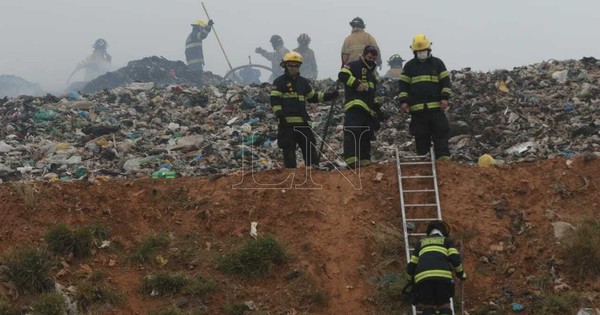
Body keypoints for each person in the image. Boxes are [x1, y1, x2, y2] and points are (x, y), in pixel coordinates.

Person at [270, 51, 339, 168]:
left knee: (310, 149)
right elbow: (274, 99)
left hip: (303, 123)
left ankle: (314, 174)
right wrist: (280, 114)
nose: (293, 68)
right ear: (285, 66)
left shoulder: (303, 82)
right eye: (291, 65)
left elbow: (313, 97)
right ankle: (292, 177)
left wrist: (329, 96)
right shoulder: (279, 82)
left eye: (296, 65)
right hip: (286, 124)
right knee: (289, 152)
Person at [398, 34, 452, 160]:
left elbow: (445, 83)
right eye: (419, 51)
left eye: (423, 50)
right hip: (417, 110)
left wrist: (445, 98)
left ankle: (443, 160)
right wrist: (403, 101)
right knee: (421, 135)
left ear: (429, 49)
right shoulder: (409, 66)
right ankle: (423, 160)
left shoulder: (437, 64)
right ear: (414, 52)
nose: (421, 53)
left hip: (435, 108)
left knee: (441, 132)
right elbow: (403, 86)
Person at [406, 221, 466, 315]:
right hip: (442, 277)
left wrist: (410, 279)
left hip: (423, 278)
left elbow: (412, 265)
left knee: (427, 306)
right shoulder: (447, 241)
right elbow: (455, 259)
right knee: (444, 305)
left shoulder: (421, 243)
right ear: (443, 232)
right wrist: (461, 274)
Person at [338, 45, 381, 168]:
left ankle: (365, 161)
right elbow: (342, 75)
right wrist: (356, 83)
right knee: (352, 131)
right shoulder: (354, 65)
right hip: (355, 106)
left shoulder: (372, 75)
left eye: (373, 58)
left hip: (368, 111)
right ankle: (351, 161)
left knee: (366, 135)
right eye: (369, 57)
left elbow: (373, 94)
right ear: (363, 55)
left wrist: (377, 110)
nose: (371, 60)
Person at [185, 19, 214, 83]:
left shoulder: (193, 34)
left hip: (195, 62)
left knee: (197, 79)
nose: (203, 29)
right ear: (198, 26)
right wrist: (208, 26)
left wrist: (208, 28)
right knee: (197, 80)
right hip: (194, 62)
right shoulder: (194, 34)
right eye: (202, 27)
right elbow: (203, 35)